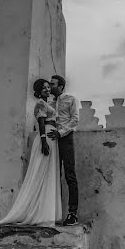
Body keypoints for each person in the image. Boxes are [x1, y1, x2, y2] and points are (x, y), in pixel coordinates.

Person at [0, 79, 63, 226]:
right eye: (44, 88)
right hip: (45, 139)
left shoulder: (48, 104)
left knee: (49, 175)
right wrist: (44, 141)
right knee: (40, 174)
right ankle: (33, 213)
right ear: (38, 92)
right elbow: (41, 123)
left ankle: (45, 213)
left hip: (52, 139)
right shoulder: (40, 104)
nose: (47, 89)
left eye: (48, 87)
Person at [48, 74, 80, 226]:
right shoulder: (50, 102)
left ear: (61, 86)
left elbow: (75, 120)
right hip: (53, 141)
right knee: (54, 176)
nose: (51, 86)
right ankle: (54, 213)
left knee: (69, 175)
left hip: (65, 139)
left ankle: (72, 214)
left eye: (53, 84)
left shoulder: (71, 99)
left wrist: (60, 133)